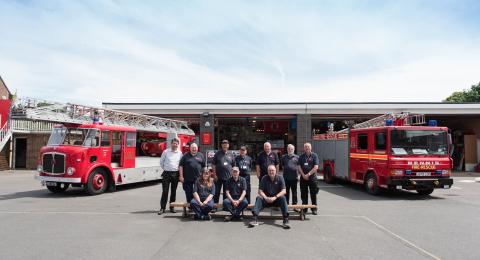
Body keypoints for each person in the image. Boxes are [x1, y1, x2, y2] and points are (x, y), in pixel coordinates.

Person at [249, 165, 290, 229]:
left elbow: (284, 191)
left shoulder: (280, 178)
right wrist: (265, 198)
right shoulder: (264, 178)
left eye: (272, 170)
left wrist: (275, 197)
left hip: (276, 200)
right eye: (270, 170)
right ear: (267, 171)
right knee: (259, 198)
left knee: (283, 198)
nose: (271, 172)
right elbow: (260, 191)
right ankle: (254, 219)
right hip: (266, 200)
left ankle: (285, 220)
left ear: (275, 171)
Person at [158, 138, 183, 215]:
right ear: (171, 144)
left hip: (175, 174)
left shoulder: (180, 153)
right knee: (165, 191)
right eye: (174, 143)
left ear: (178, 145)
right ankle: (162, 208)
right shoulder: (166, 152)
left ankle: (172, 207)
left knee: (173, 191)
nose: (175, 145)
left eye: (176, 144)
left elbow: (181, 164)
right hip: (167, 173)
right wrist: (166, 169)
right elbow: (161, 162)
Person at [211, 139, 235, 210]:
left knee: (226, 193)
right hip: (218, 177)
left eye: (226, 144)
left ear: (228, 145)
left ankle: (225, 207)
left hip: (228, 178)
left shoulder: (231, 154)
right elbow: (213, 165)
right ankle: (215, 207)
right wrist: (214, 174)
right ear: (221, 145)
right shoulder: (217, 154)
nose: (225, 145)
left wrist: (233, 175)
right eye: (223, 144)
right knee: (216, 192)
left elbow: (234, 166)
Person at [298, 142, 319, 215]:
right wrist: (303, 175)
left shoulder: (314, 155)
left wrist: (308, 174)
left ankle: (314, 208)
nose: (307, 148)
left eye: (308, 147)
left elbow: (316, 167)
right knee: (304, 194)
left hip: (312, 178)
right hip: (303, 178)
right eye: (305, 147)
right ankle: (305, 208)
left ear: (311, 148)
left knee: (313, 193)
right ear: (304, 148)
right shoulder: (301, 156)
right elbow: (299, 167)